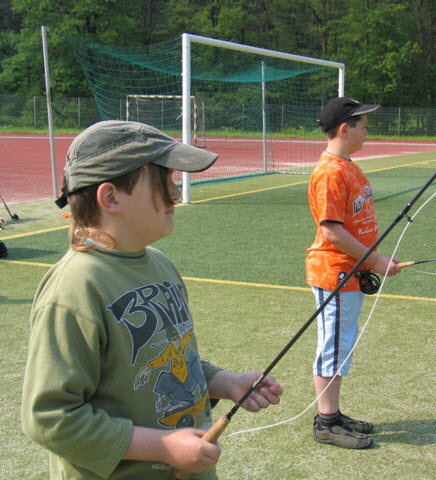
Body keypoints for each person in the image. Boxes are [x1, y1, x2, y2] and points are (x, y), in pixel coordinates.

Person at [21, 121, 283, 479]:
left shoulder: (161, 264)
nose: (175, 193)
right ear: (110, 197)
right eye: (163, 181)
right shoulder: (75, 287)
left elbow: (175, 358)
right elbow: (50, 417)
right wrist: (162, 447)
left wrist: (224, 382)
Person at [306, 97, 401, 449]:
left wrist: (372, 260)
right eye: (363, 123)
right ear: (345, 129)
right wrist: (375, 261)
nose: (368, 129)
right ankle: (326, 423)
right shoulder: (330, 172)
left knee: (341, 346)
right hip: (336, 273)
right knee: (333, 348)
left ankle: (333, 413)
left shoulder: (349, 166)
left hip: (352, 273)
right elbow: (331, 230)